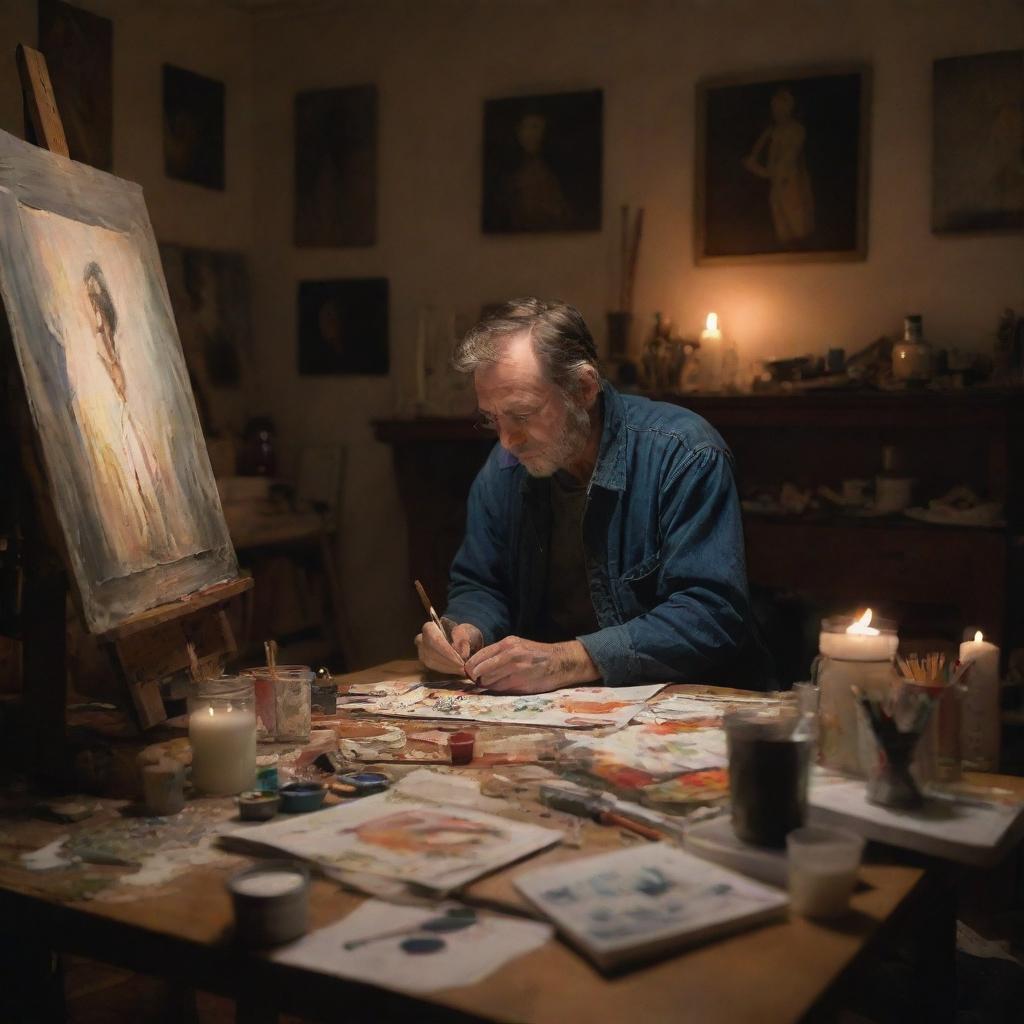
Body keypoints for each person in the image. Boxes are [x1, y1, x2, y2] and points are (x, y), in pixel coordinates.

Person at [415, 298, 772, 694]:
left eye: (522, 414)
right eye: (492, 419)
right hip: (558, 712)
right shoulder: (503, 469)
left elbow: (712, 615)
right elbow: (482, 583)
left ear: (583, 389)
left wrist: (569, 660)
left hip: (692, 701)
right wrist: (466, 629)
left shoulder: (684, 453)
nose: (506, 440)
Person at [743, 87, 815, 244]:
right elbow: (768, 162)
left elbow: (784, 163)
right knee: (782, 231)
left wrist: (758, 169)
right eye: (774, 108)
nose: (777, 112)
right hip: (777, 186)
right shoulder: (773, 132)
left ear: (789, 108)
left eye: (781, 107)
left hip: (791, 185)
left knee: (797, 226)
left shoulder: (796, 131)